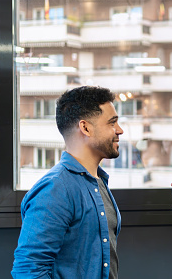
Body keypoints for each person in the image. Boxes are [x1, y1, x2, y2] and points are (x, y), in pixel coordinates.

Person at [12, 86, 123, 279]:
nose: (119, 130)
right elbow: (28, 270)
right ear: (85, 127)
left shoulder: (98, 181)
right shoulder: (55, 189)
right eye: (112, 123)